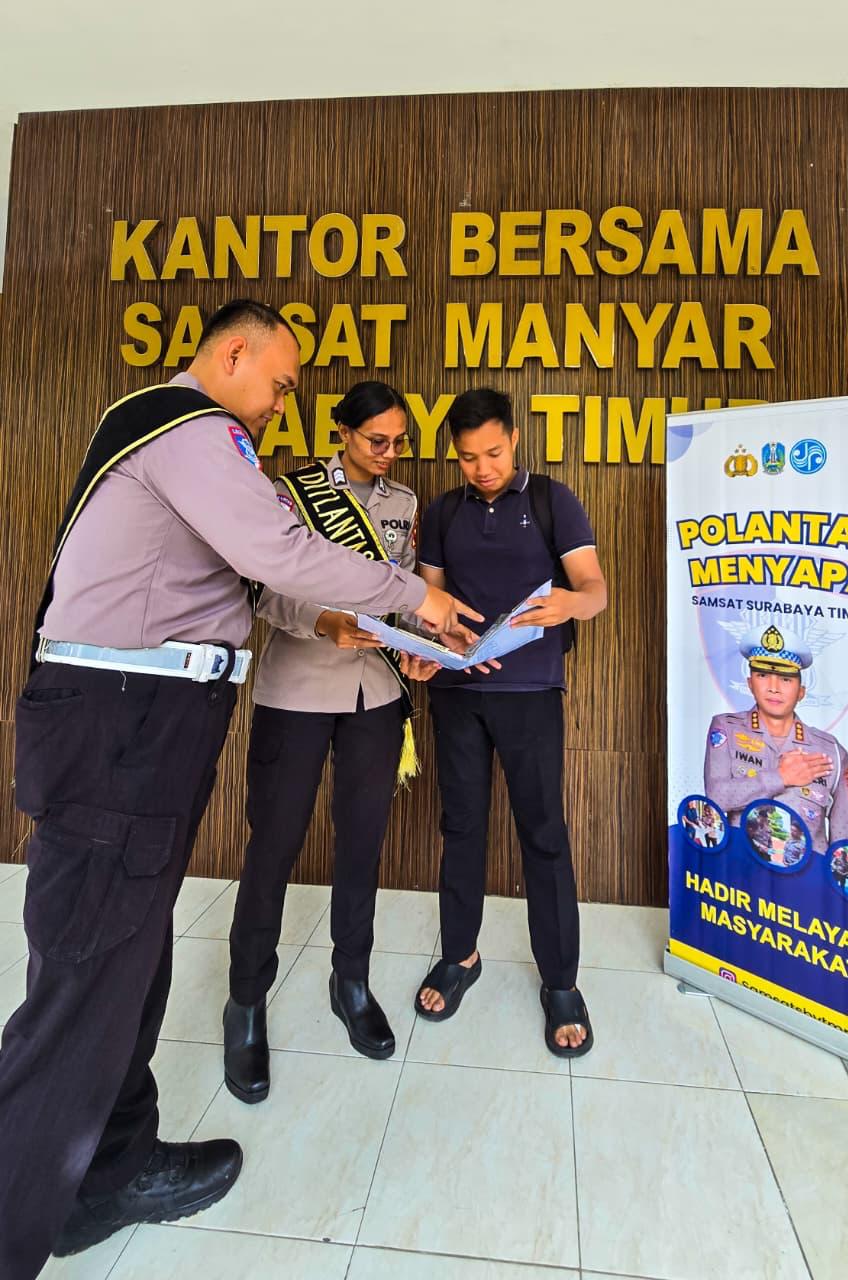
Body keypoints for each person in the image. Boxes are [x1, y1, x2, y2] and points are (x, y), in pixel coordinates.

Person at [0, 300, 476, 1280]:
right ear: (232, 352)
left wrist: (357, 620)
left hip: (145, 723)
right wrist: (414, 595)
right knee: (86, 976)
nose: (278, 404)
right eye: (280, 383)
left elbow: (251, 584)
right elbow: (278, 554)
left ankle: (112, 1168)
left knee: (130, 957)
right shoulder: (191, 428)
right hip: (123, 723)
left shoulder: (181, 443)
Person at [224, 380, 442, 1095]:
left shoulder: (405, 504)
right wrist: (323, 621)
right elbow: (262, 589)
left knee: (362, 843)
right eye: (376, 440)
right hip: (296, 692)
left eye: (399, 442)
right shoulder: (290, 495)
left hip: (374, 695)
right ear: (342, 432)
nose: (388, 453)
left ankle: (351, 980)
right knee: (274, 846)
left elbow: (403, 592)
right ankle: (245, 1000)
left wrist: (420, 645)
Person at [412, 388, 607, 1057]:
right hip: (458, 692)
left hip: (531, 693)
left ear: (514, 439)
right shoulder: (443, 511)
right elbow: (429, 602)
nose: (483, 468)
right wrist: (434, 643)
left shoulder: (552, 500)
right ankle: (459, 955)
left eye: (493, 453)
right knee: (461, 827)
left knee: (544, 834)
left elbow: (595, 589)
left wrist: (569, 605)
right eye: (469, 458)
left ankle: (561, 983)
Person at [703, 624, 848, 853]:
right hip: (742, 871)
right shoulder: (727, 730)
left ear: (801, 691)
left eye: (785, 679)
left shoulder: (831, 751)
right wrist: (780, 777)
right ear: (750, 683)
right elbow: (715, 798)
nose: (774, 688)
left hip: (808, 873)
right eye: (763, 675)